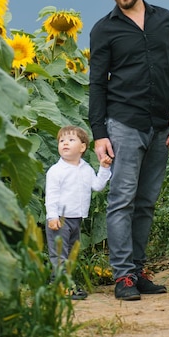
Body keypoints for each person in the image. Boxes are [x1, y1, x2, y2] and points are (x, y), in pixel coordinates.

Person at [89, 0, 169, 301]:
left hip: (161, 124)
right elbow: (97, 84)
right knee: (122, 201)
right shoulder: (104, 29)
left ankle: (138, 269)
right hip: (124, 124)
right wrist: (99, 133)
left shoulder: (165, 20)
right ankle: (123, 277)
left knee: (145, 202)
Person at [45, 125, 112, 299]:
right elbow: (51, 195)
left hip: (76, 219)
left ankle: (60, 283)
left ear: (82, 147)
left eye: (71, 140)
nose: (65, 143)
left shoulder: (86, 169)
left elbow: (97, 186)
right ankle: (62, 286)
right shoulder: (56, 171)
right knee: (59, 254)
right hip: (59, 218)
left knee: (70, 253)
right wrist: (52, 216)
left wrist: (104, 168)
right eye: (61, 141)